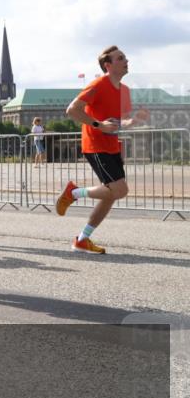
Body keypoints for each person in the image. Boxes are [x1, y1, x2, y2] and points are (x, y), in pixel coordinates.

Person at [57, 46, 148, 253]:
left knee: (111, 194)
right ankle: (73, 192)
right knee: (119, 190)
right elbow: (72, 110)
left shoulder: (124, 91)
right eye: (120, 58)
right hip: (95, 145)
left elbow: (116, 123)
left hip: (112, 146)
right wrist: (98, 125)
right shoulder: (98, 84)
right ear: (108, 65)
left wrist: (133, 121)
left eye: (125, 57)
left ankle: (82, 239)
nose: (126, 60)